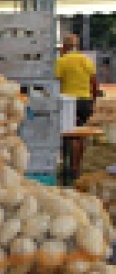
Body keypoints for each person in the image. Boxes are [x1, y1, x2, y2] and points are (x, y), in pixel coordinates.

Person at [55, 33, 99, 173]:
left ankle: (67, 165)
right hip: (85, 101)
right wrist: (93, 101)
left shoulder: (62, 61)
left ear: (64, 46)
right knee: (80, 134)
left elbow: (55, 82)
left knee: (68, 133)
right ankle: (76, 166)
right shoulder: (86, 60)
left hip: (68, 102)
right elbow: (94, 83)